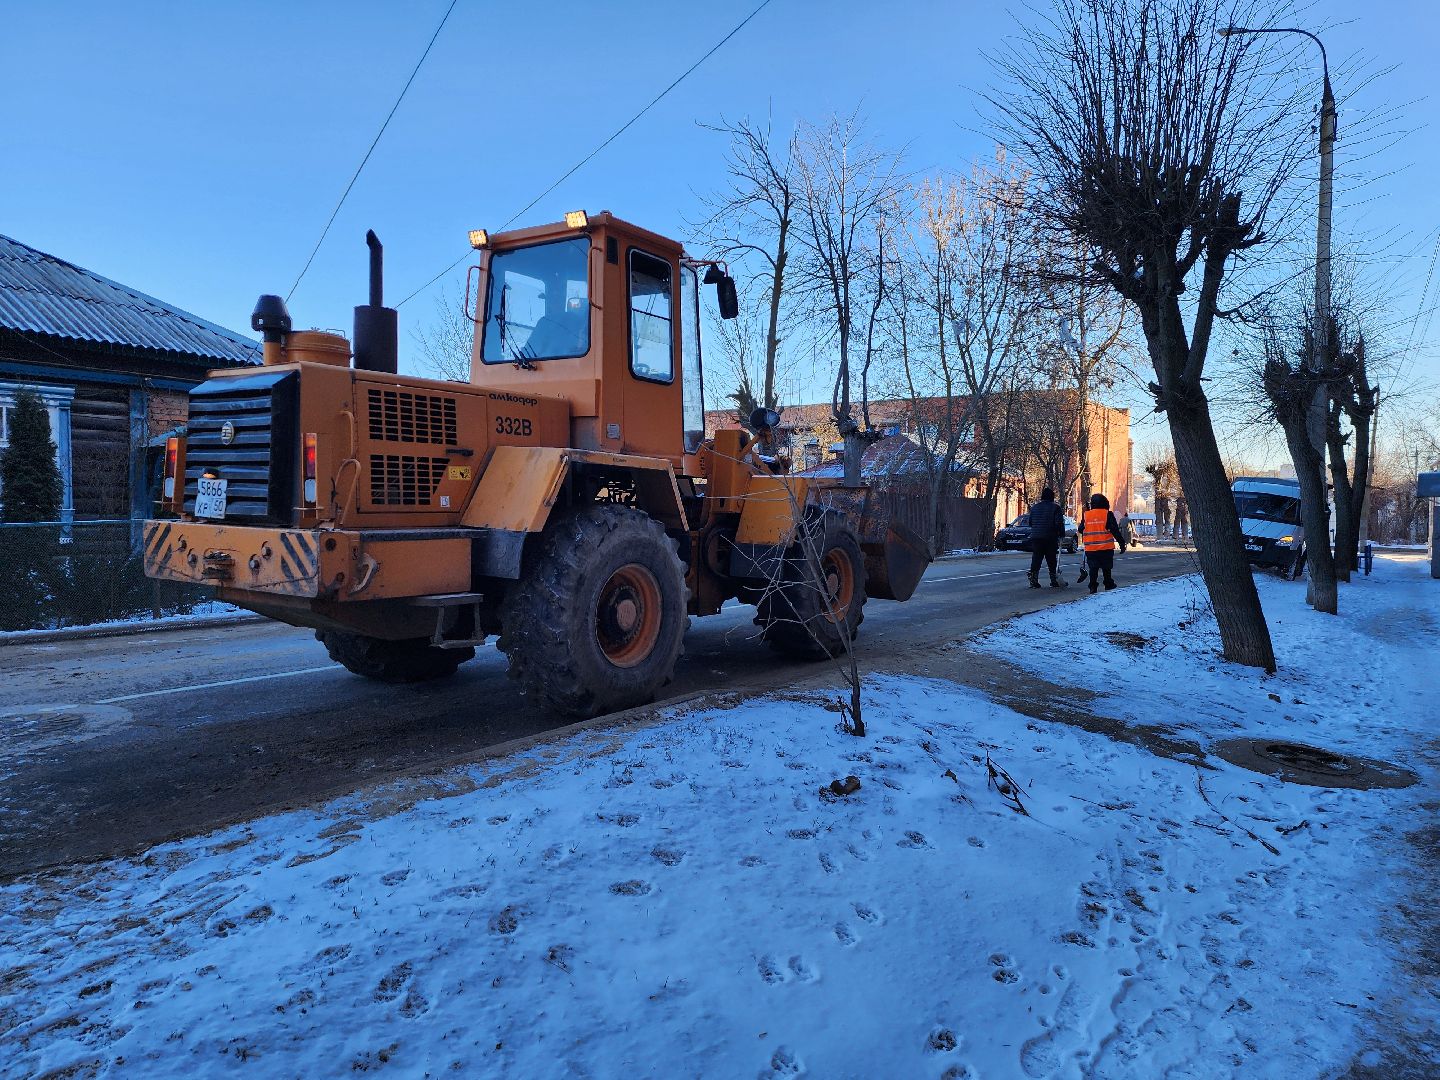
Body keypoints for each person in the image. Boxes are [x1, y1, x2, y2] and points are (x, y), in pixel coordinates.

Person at [1081, 492, 1128, 593]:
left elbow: (1081, 529)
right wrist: (1121, 543)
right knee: (1106, 568)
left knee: (1093, 568)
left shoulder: (1086, 515)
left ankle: (1093, 586)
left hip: (1091, 549)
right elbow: (1115, 530)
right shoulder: (1107, 514)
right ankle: (1108, 583)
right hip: (1105, 548)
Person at [1025, 487, 1068, 589]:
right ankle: (1054, 580)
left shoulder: (1034, 508)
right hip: (1050, 537)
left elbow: (1030, 522)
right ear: (1052, 497)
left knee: (1036, 558)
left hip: (1036, 537)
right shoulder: (1055, 508)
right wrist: (1061, 534)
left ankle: (1033, 579)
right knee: (1051, 559)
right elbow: (1059, 523)